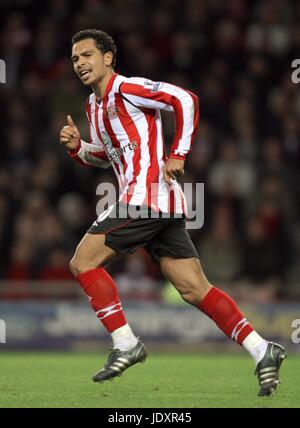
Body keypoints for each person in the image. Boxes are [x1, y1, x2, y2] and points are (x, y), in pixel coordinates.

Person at [59, 29, 286, 396]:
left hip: (145, 196)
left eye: (87, 55)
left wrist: (179, 152)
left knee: (82, 262)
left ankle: (126, 342)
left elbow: (185, 99)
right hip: (159, 203)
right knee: (194, 288)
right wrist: (79, 148)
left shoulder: (127, 88)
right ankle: (263, 349)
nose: (80, 63)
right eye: (74, 59)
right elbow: (108, 157)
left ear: (108, 58)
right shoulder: (93, 107)